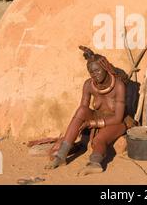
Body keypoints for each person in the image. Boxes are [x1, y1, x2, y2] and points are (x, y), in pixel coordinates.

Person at [46, 46, 131, 175]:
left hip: (116, 123)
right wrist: (83, 125)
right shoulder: (88, 85)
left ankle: (95, 163)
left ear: (105, 69)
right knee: (81, 110)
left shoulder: (118, 85)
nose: (94, 75)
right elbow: (83, 111)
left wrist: (92, 124)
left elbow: (118, 118)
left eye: (97, 71)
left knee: (98, 140)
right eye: (91, 72)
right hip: (96, 117)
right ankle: (61, 155)